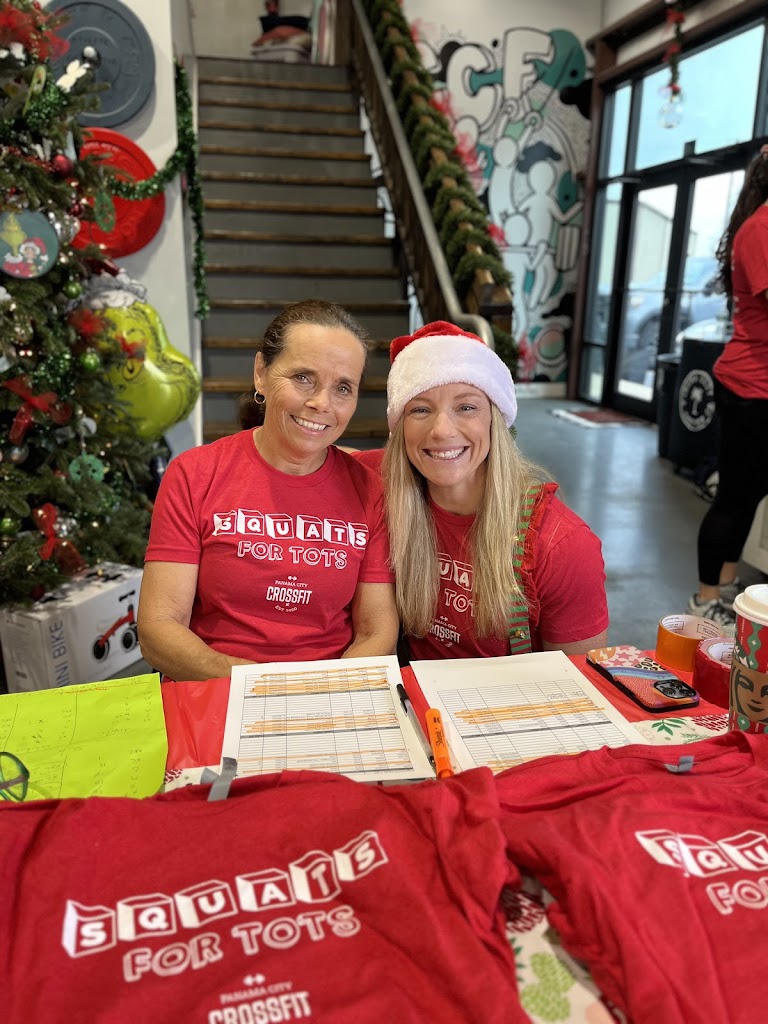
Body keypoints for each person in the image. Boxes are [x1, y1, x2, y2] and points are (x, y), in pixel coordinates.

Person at [138, 299, 399, 681]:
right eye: (303, 377)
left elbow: (376, 632)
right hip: (214, 685)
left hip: (330, 692)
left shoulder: (370, 491)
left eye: (343, 387)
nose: (321, 403)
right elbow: (159, 627)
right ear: (261, 373)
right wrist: (262, 687)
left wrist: (324, 691)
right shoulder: (194, 474)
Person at [355, 321, 609, 659]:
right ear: (400, 428)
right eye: (420, 409)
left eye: (466, 407)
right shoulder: (382, 477)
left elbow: (577, 678)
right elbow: (314, 458)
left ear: (495, 419)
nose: (442, 431)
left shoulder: (561, 543)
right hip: (412, 689)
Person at [688, 146, 768, 629]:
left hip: (762, 388)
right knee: (735, 497)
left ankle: (728, 583)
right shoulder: (760, 228)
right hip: (750, 388)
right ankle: (705, 599)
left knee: (752, 495)